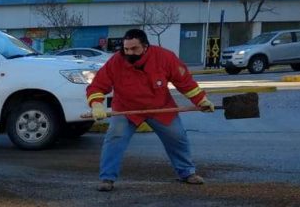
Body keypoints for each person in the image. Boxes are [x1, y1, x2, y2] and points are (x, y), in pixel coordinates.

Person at [86, 28, 215, 192]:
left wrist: (201, 100)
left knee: (177, 136)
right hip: (127, 109)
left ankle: (187, 173)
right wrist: (96, 104)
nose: (129, 53)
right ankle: (107, 178)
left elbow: (185, 82)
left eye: (134, 49)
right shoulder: (116, 62)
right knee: (114, 138)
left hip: (160, 107)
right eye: (126, 49)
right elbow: (97, 85)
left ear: (145, 46)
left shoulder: (165, 57)